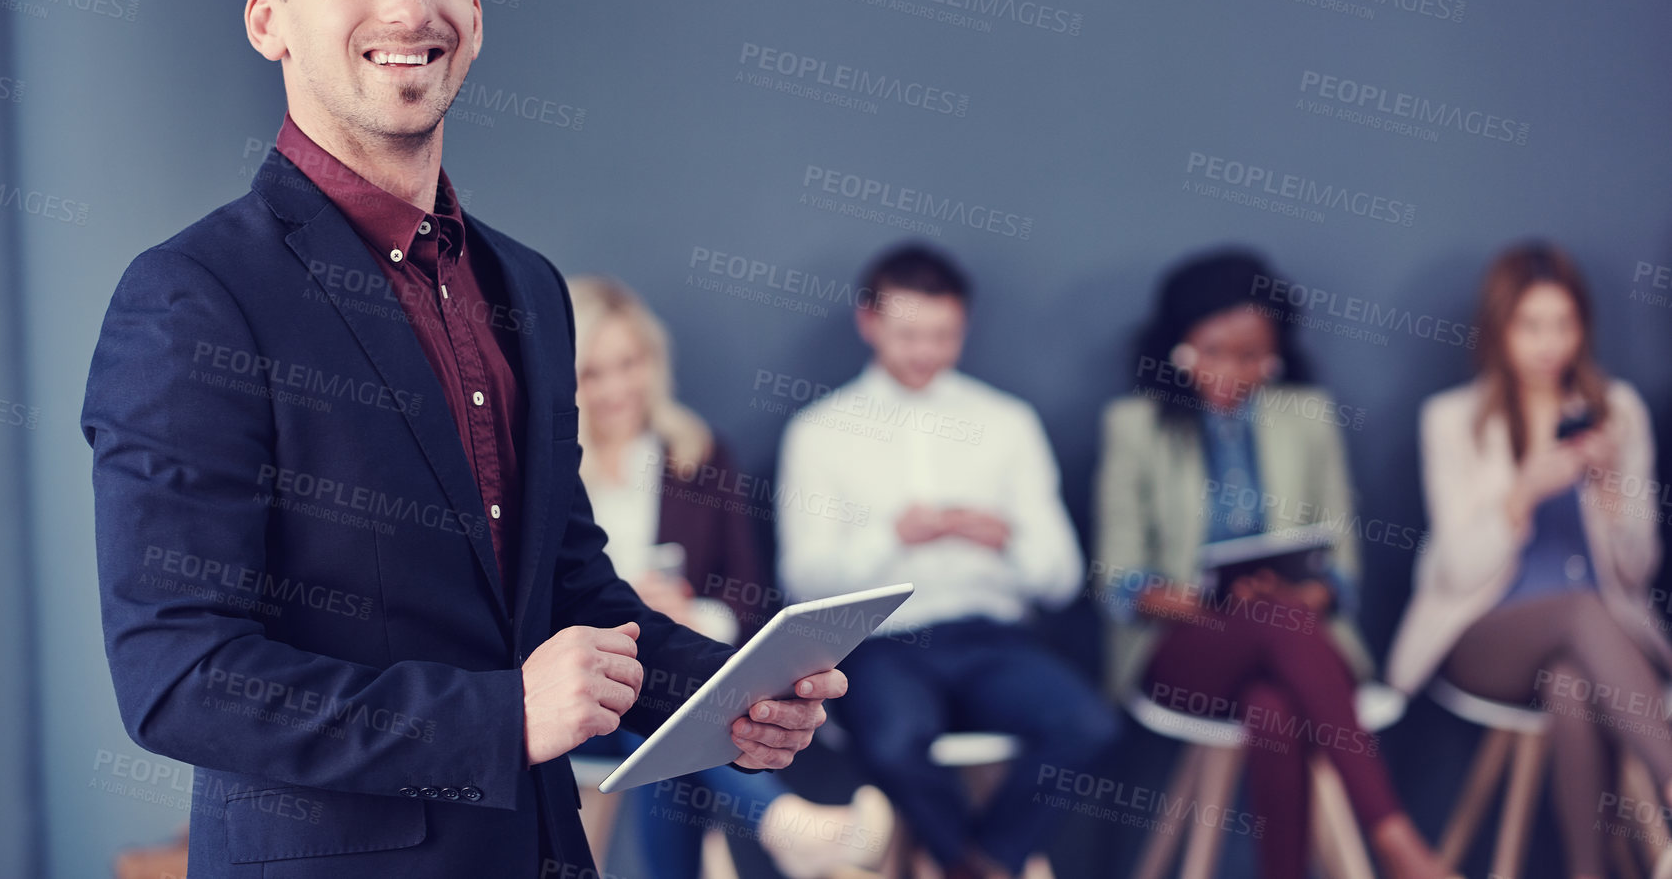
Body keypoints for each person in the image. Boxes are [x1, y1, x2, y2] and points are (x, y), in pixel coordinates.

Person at [82, 0, 839, 879]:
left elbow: (574, 599)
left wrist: (731, 691)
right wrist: (498, 717)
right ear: (268, 19)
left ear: (475, 13)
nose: (410, 1)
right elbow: (179, 675)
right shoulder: (191, 298)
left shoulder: (524, 287)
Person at [1095, 248, 1450, 879]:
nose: (1235, 371)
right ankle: (1396, 840)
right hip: (1183, 647)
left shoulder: (1306, 418)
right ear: (1179, 346)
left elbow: (1339, 563)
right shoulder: (1136, 425)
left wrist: (1307, 592)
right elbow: (1117, 579)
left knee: (1274, 708)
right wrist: (1206, 601)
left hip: (1294, 635)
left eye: (1254, 356)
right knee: (1273, 622)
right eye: (1215, 351)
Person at [775, 243, 1118, 879]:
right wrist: (893, 535)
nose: (926, 352)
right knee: (892, 740)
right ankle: (972, 862)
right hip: (880, 643)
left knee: (1088, 724)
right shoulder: (819, 432)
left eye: (944, 334)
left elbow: (1063, 580)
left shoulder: (1007, 422)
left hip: (992, 639)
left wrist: (1004, 540)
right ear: (868, 321)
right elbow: (803, 583)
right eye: (908, 334)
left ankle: (979, 863)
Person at [567, 276, 892, 879]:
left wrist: (689, 616)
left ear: (653, 362)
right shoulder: (554, 468)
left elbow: (747, 598)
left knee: (668, 726)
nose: (616, 389)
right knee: (671, 721)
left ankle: (790, 832)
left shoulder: (698, 452)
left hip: (671, 683)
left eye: (629, 364)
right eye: (593, 373)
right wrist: (632, 607)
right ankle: (789, 830)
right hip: (578, 698)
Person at [1387, 242, 1671, 879]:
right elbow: (1456, 569)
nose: (1551, 344)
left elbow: (1638, 568)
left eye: (1564, 325)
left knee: (1571, 680)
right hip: (1487, 636)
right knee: (1575, 612)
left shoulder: (1618, 412)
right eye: (1531, 325)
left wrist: (1610, 491)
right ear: (1499, 329)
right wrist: (1520, 494)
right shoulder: (1453, 420)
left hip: (1607, 641)